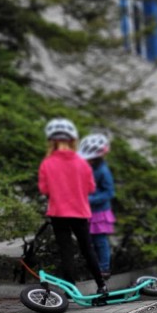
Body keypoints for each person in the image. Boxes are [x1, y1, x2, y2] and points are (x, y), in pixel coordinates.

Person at [38, 118, 107, 294]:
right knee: (87, 249)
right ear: (73, 140)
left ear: (52, 140)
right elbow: (91, 188)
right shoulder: (82, 163)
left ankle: (70, 289)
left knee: (66, 251)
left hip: (58, 213)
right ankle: (101, 285)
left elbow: (44, 189)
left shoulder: (47, 163)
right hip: (80, 212)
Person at [78, 133, 115, 278]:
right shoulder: (89, 166)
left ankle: (104, 268)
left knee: (100, 241)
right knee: (90, 241)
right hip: (87, 210)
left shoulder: (103, 171)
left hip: (99, 212)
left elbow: (109, 192)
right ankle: (94, 267)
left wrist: (89, 199)